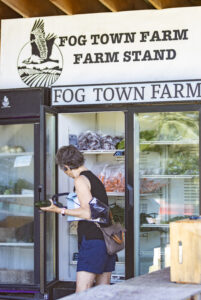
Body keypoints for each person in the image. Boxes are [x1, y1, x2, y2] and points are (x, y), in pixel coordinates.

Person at [40, 145, 116, 293]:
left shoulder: (80, 180)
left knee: (82, 292)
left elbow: (88, 213)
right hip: (107, 240)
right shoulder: (93, 177)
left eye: (64, 170)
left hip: (93, 240)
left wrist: (58, 210)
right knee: (103, 292)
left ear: (66, 167)